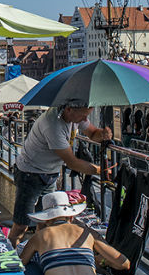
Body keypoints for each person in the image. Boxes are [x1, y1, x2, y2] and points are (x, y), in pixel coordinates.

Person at [7, 104, 112, 245]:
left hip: (49, 174)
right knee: (21, 225)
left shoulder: (74, 115)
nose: (85, 119)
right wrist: (101, 170)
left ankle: (39, 253)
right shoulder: (53, 125)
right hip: (30, 174)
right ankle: (12, 255)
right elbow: (72, 163)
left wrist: (103, 134)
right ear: (69, 109)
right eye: (83, 115)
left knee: (46, 223)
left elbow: (93, 134)